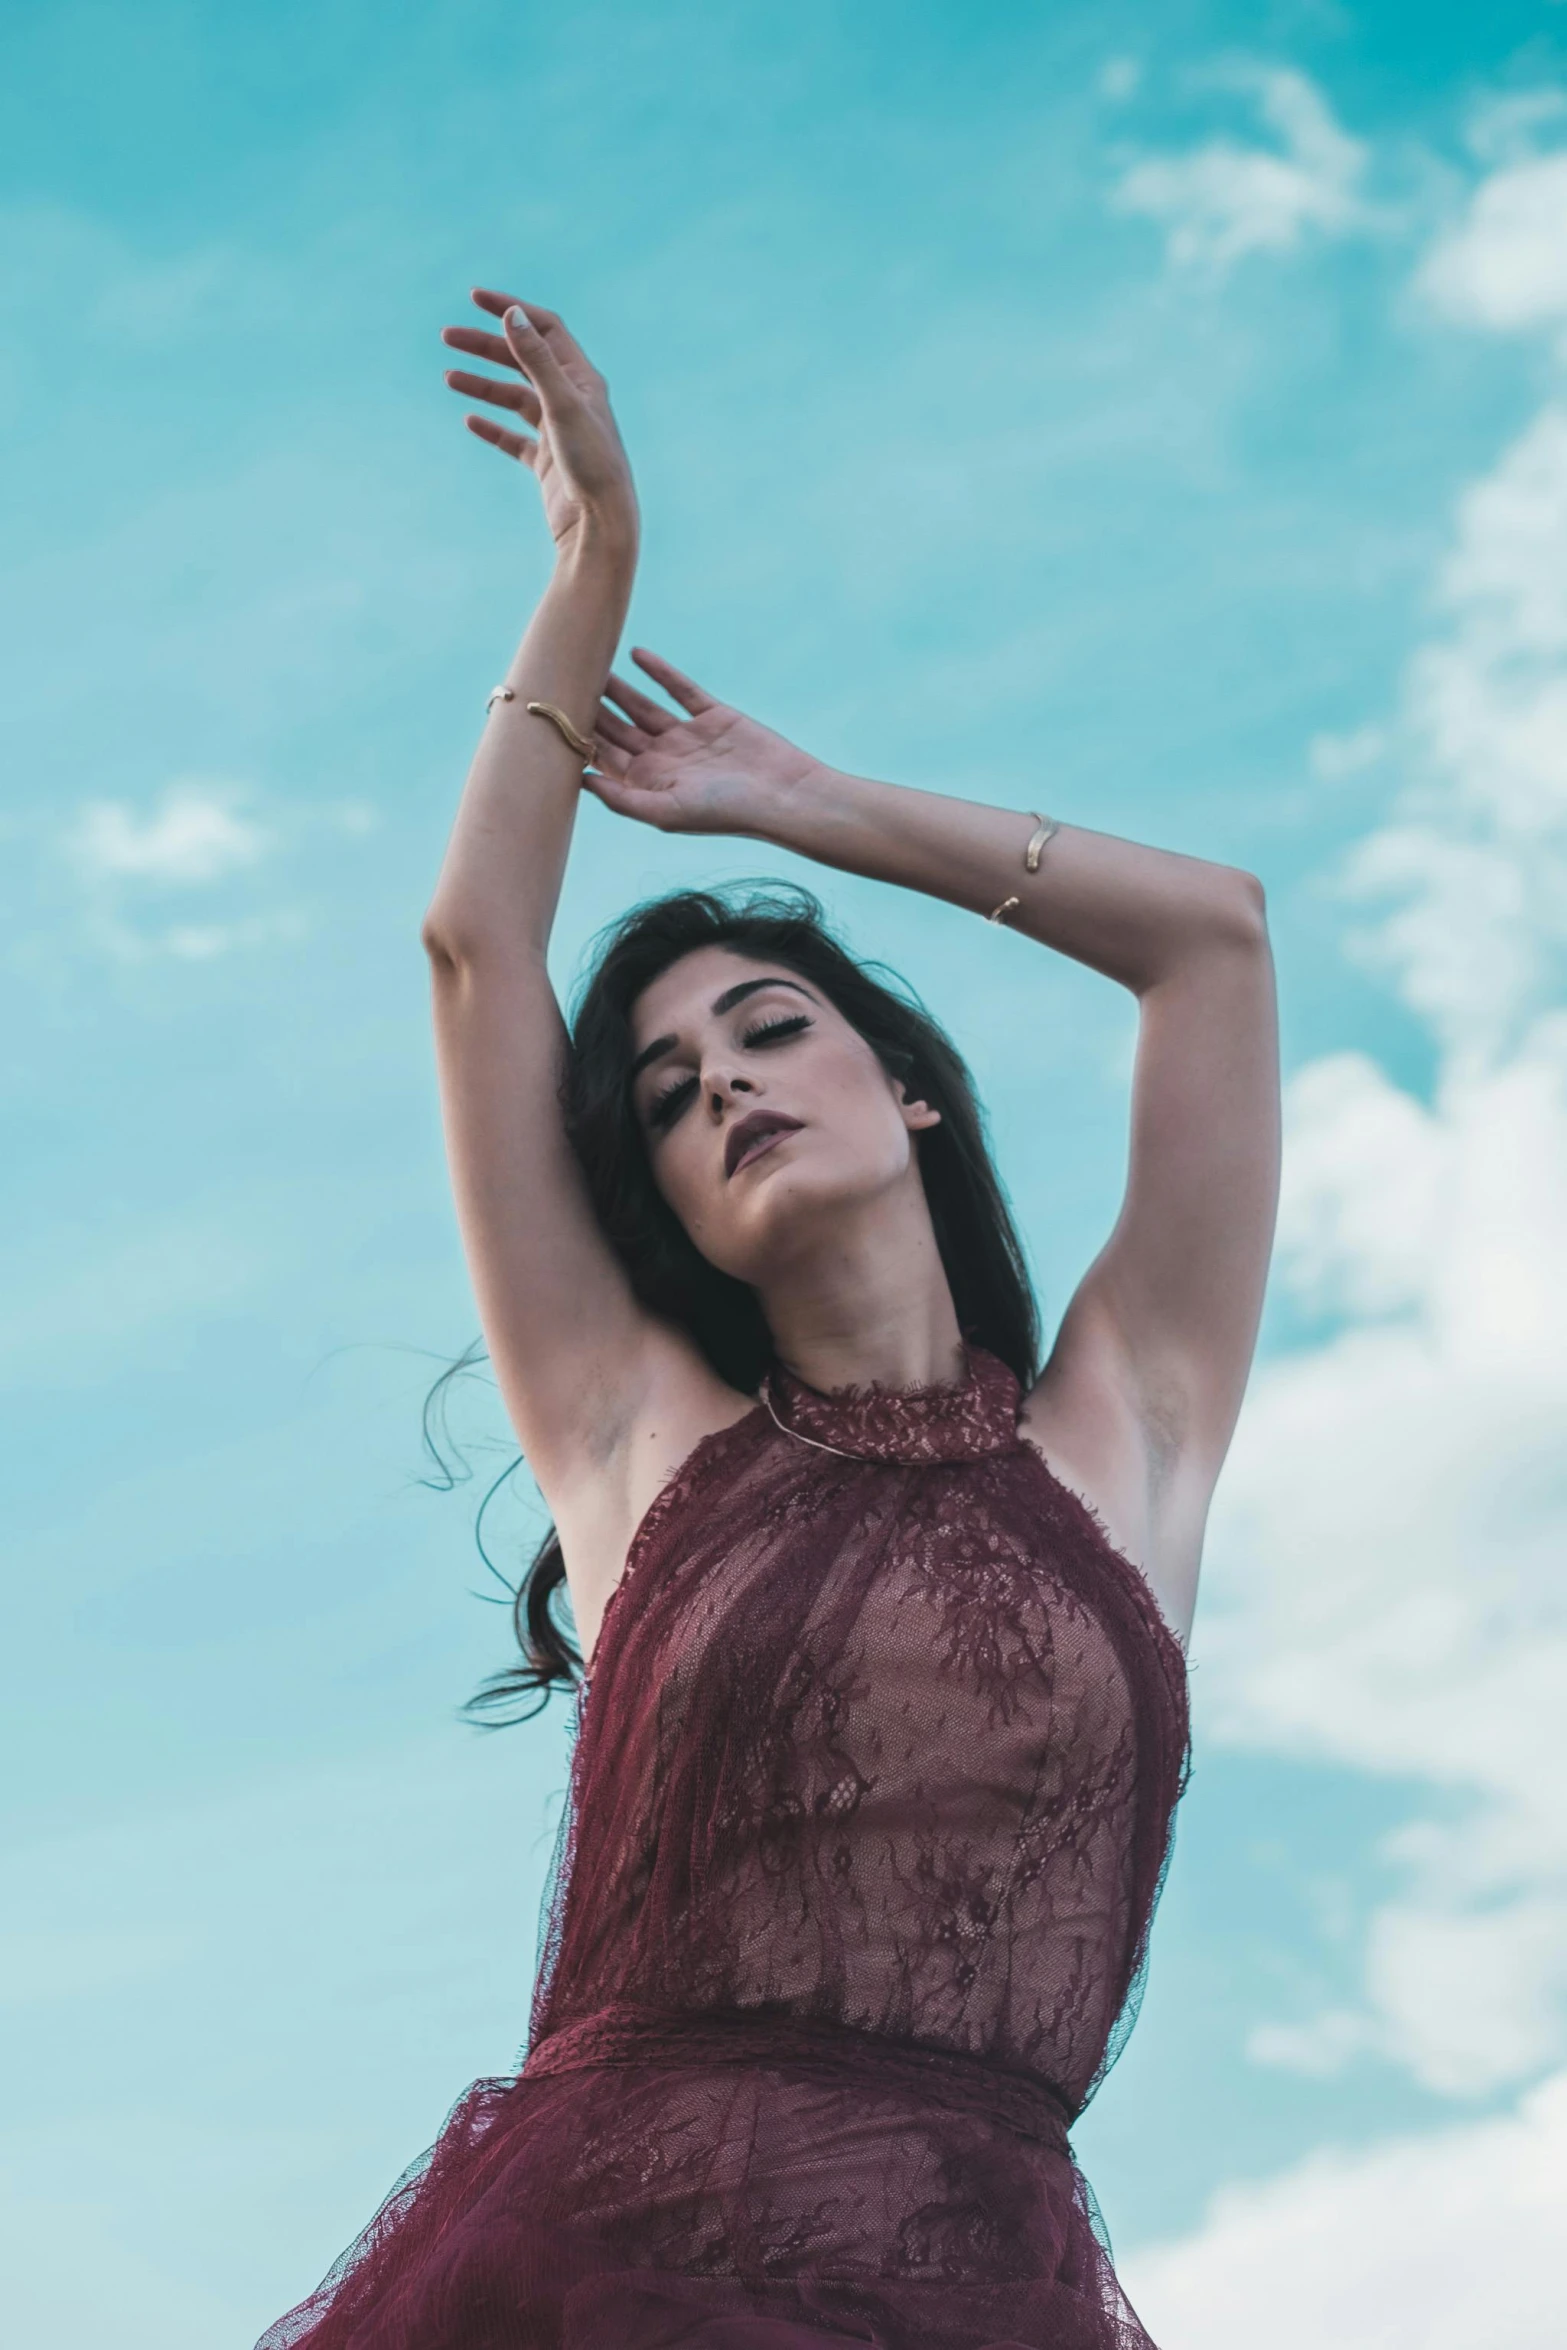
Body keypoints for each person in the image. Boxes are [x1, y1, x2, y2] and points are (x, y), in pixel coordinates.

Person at [259, 289, 1279, 2350]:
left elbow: (1212, 942)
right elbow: (476, 948)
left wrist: (794, 806)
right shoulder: (639, 1435)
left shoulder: (1128, 1433)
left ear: (908, 1084)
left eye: (770, 1027)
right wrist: (590, 574)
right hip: (601, 2269)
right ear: (672, 1214)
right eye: (664, 1090)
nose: (721, 1078)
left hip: (990, 2284)